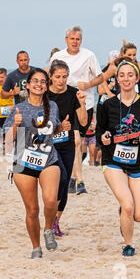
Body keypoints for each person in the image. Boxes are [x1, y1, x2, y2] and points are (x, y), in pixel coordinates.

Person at [3, 68, 71, 259]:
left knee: (50, 200)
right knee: (32, 210)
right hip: (23, 163)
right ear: (28, 84)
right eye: (35, 81)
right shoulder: (18, 108)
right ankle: (35, 247)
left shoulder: (53, 106)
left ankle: (48, 228)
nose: (39, 84)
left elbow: (50, 132)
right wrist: (15, 124)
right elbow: (7, 141)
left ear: (46, 85)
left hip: (48, 159)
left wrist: (61, 128)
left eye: (42, 81)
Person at [96, 58, 140, 257]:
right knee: (128, 206)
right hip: (113, 161)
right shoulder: (107, 104)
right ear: (117, 78)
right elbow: (100, 131)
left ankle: (124, 213)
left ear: (137, 78)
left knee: (138, 215)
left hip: (138, 162)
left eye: (130, 75)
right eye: (122, 75)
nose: (126, 78)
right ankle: (128, 244)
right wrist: (104, 138)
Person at [50, 25, 104, 195]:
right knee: (73, 141)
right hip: (63, 102)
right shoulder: (58, 56)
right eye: (72, 39)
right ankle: (75, 179)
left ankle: (75, 178)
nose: (75, 42)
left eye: (78, 39)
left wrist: (88, 85)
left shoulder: (89, 55)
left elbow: (101, 76)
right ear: (66, 40)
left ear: (81, 40)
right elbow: (51, 76)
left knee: (77, 142)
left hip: (83, 103)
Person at [47, 60, 87, 237]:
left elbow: (84, 122)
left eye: (64, 77)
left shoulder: (73, 94)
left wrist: (82, 103)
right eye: (57, 77)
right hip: (47, 145)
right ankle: (50, 220)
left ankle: (55, 222)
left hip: (67, 145)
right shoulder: (44, 95)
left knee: (64, 185)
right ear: (50, 76)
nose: (61, 80)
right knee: (59, 179)